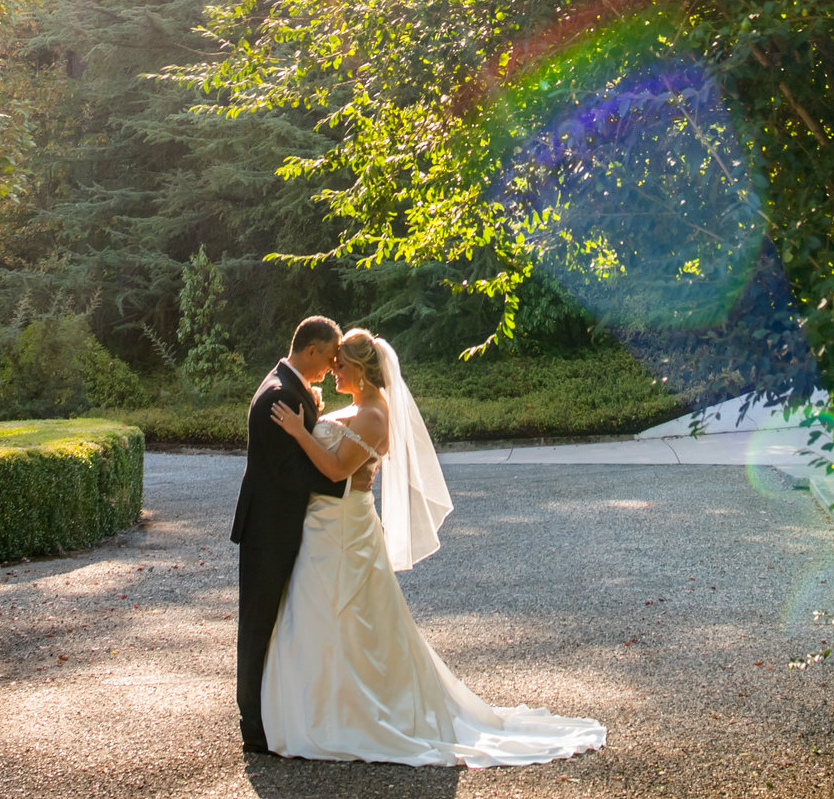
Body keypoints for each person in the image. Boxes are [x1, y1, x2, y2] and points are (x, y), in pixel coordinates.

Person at [256, 326, 606, 766]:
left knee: (345, 614)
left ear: (361, 371)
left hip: (345, 531)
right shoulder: (358, 406)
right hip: (324, 526)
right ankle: (317, 706)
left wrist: (300, 431)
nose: (333, 369)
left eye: (340, 364)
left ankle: (350, 713)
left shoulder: (375, 416)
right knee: (316, 614)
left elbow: (333, 469)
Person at [231, 315, 346, 754]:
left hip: (281, 526)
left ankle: (273, 713)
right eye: (330, 357)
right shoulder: (277, 396)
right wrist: (344, 482)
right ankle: (254, 727)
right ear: (312, 350)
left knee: (279, 622)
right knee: (258, 624)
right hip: (267, 529)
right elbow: (288, 472)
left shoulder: (290, 385)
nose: (331, 366)